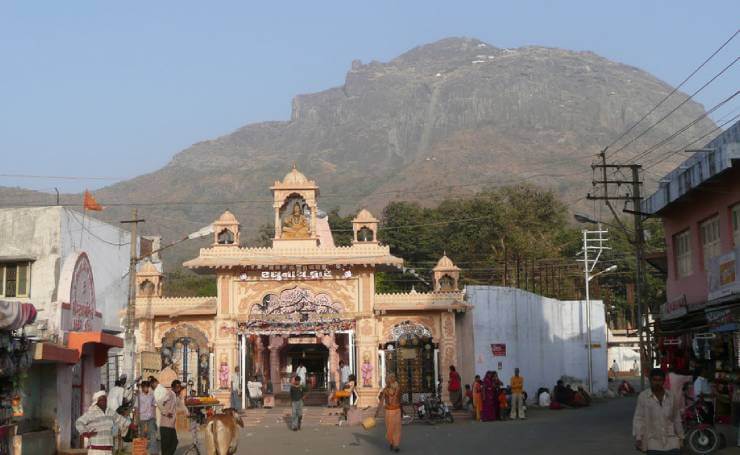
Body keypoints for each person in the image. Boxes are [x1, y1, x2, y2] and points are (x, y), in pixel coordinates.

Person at [633, 368, 684, 453]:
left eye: (660, 380)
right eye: (654, 380)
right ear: (650, 380)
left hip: (671, 440)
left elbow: (676, 418)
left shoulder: (671, 396)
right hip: (652, 441)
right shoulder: (643, 396)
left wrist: (681, 436)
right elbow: (639, 418)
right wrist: (639, 437)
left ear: (664, 381)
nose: (657, 383)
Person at [75, 390, 132, 455]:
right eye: (101, 400)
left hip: (108, 448)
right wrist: (85, 432)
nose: (104, 402)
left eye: (105, 400)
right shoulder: (92, 412)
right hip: (95, 449)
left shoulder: (109, 411)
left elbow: (119, 419)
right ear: (97, 402)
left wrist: (130, 425)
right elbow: (79, 422)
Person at [379, 373, 402, 452]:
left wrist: (393, 393)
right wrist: (377, 411)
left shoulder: (397, 387)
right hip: (388, 411)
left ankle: (396, 445)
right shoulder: (385, 389)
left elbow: (397, 398)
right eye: (387, 379)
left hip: (396, 410)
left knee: (397, 428)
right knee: (390, 428)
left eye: (389, 379)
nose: (387, 381)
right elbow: (381, 400)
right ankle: (391, 442)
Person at [159, 380, 182, 455]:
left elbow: (180, 406)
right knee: (166, 445)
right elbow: (160, 402)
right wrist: (166, 413)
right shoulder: (169, 393)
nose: (178, 389)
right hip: (165, 425)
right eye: (177, 387)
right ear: (173, 387)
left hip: (171, 425)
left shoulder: (175, 396)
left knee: (174, 442)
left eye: (179, 387)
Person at [136, 381, 159, 454]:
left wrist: (155, 417)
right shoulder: (138, 396)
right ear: (142, 388)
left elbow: (154, 406)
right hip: (142, 418)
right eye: (144, 387)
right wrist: (137, 420)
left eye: (147, 387)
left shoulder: (151, 395)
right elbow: (136, 408)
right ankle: (141, 451)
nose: (146, 388)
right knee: (143, 435)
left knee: (153, 434)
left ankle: (153, 452)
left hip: (151, 418)